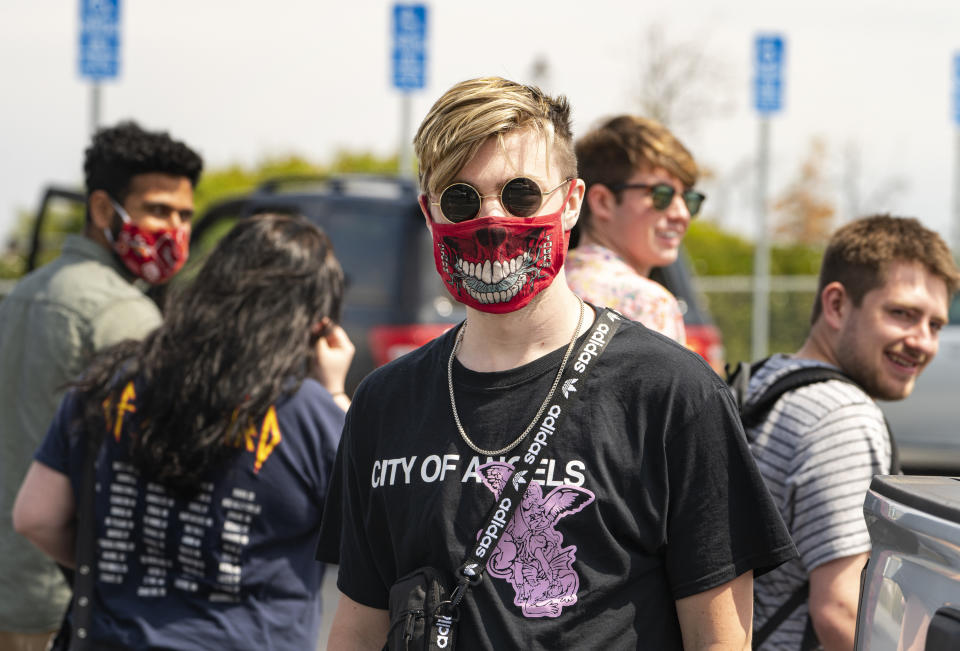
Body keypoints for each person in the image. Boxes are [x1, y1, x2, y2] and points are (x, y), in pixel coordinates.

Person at [317, 76, 796, 650]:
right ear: (430, 213)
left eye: (521, 194)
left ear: (570, 204)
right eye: (461, 199)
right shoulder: (383, 402)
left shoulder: (672, 394)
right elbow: (357, 628)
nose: (491, 221)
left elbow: (719, 638)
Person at [13, 213, 353, 649]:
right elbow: (371, 548)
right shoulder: (308, 414)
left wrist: (123, 566)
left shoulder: (109, 382)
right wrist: (336, 395)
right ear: (315, 324)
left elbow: (35, 517)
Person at [0, 120, 202, 650]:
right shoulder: (122, 314)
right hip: (58, 591)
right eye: (158, 210)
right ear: (101, 210)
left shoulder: (22, 293)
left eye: (184, 216)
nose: (174, 230)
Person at [745, 215, 960, 650]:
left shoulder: (769, 379)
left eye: (934, 325)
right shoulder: (841, 416)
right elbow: (842, 612)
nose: (922, 341)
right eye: (902, 314)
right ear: (838, 305)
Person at [566, 115, 705, 344]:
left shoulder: (544, 288)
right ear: (602, 201)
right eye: (661, 195)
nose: (681, 214)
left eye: (689, 199)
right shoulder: (648, 302)